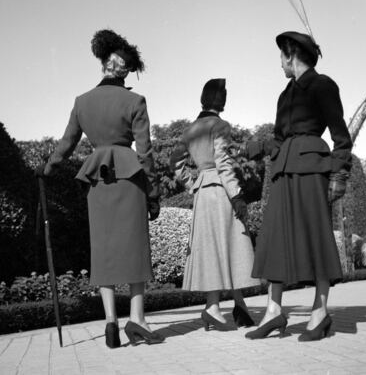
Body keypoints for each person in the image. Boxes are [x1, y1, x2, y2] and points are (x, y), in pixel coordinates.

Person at [36, 29, 164, 348]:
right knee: (135, 247)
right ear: (124, 71)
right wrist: (153, 195)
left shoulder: (82, 102)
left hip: (98, 180)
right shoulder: (135, 100)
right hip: (130, 179)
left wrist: (48, 168)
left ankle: (110, 324)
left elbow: (66, 144)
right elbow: (146, 153)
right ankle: (138, 319)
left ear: (104, 64)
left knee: (103, 251)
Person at [244, 31, 352, 341]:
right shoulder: (284, 95)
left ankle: (320, 313)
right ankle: (273, 313)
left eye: (281, 57)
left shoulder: (323, 85)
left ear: (291, 55)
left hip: (311, 170)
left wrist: (339, 173)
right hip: (283, 170)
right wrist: (257, 146)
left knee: (316, 237)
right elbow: (279, 140)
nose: (280, 64)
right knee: (276, 240)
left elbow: (341, 136)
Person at [170, 79, 260, 331]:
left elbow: (174, 163)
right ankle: (213, 307)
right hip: (221, 189)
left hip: (202, 193)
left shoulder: (189, 131)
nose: (224, 99)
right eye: (222, 95)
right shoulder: (220, 125)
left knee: (215, 250)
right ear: (216, 100)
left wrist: (193, 184)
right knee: (230, 246)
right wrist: (237, 195)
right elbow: (222, 161)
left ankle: (236, 306)